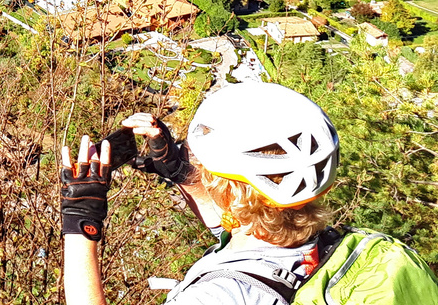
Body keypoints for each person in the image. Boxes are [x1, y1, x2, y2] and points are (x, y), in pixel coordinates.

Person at [60, 82, 342, 305]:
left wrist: (80, 223)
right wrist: (181, 173)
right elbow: (241, 224)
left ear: (231, 191)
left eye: (198, 161)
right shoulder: (321, 244)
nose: (195, 162)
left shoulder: (218, 296)